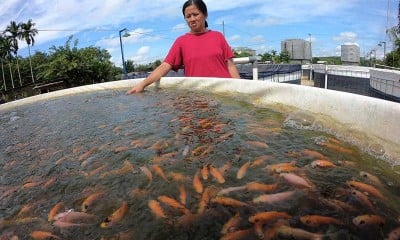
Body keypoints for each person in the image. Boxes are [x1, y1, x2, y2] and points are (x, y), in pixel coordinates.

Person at [127, 0, 240, 94]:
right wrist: (143, 84)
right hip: (197, 94)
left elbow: (230, 66)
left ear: (205, 15)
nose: (192, 19)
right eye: (188, 16)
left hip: (225, 92)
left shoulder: (218, 36)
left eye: (196, 14)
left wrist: (240, 88)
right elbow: (165, 66)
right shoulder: (181, 41)